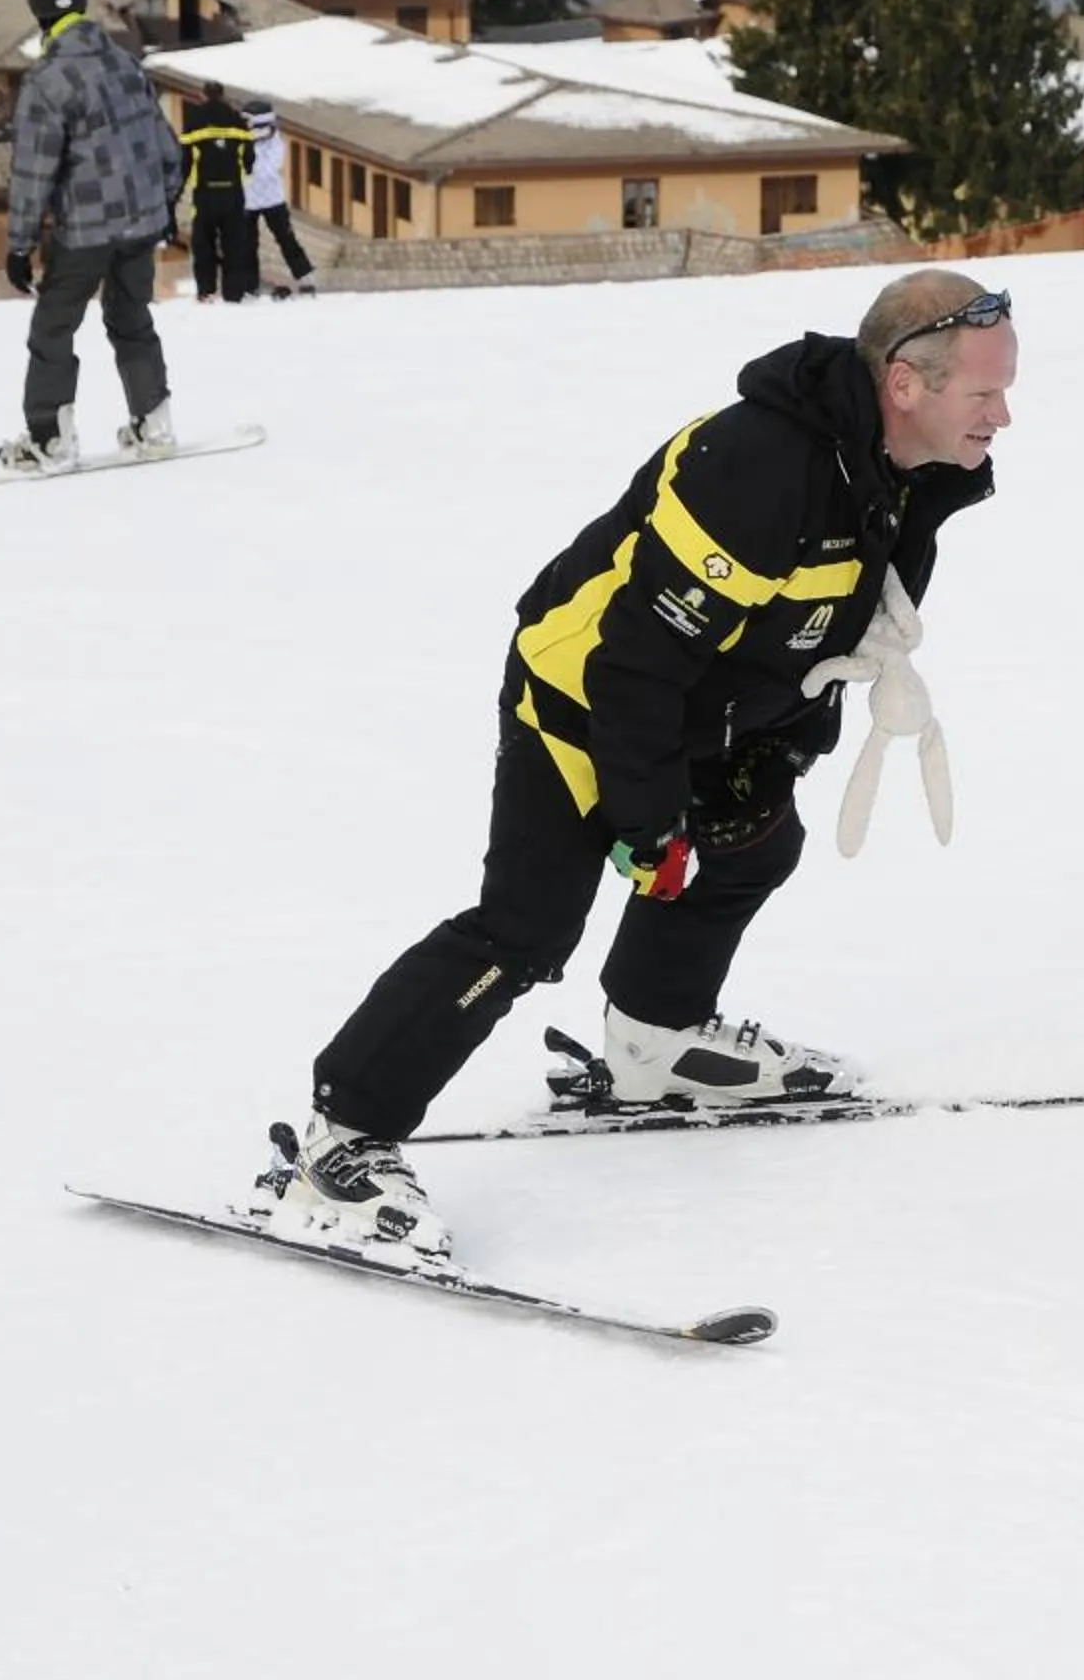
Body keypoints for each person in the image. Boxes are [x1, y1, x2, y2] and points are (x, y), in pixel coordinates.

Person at [282, 271, 1014, 1254]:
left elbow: (834, 631)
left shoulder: (903, 475)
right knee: (525, 930)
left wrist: (777, 753)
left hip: (701, 706)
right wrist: (650, 821)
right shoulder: (759, 464)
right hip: (586, 696)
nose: (1004, 415)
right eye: (985, 394)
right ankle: (347, 1134)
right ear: (905, 384)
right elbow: (637, 659)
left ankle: (654, 1039)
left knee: (755, 842)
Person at [0, 0, 186, 472]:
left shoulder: (47, 80)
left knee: (53, 330)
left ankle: (51, 440)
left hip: (86, 229)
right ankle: (155, 423)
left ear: (37, 12)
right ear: (81, 2)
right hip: (141, 221)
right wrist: (165, 205)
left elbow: (33, 173)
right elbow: (167, 147)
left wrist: (20, 244)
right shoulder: (127, 64)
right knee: (131, 320)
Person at [177, 81, 257, 301]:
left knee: (204, 244)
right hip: (233, 192)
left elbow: (185, 160)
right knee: (235, 244)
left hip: (205, 193)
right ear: (222, 95)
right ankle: (234, 293)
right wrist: (245, 169)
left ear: (202, 95)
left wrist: (178, 190)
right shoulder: (238, 121)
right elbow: (249, 157)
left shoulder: (194, 120)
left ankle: (206, 291)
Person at [238, 98, 318, 298]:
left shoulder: (276, 142)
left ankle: (305, 278)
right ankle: (249, 285)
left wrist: (248, 168)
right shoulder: (240, 139)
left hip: (273, 199)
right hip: (247, 200)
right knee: (247, 245)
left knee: (286, 239)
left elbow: (268, 169)